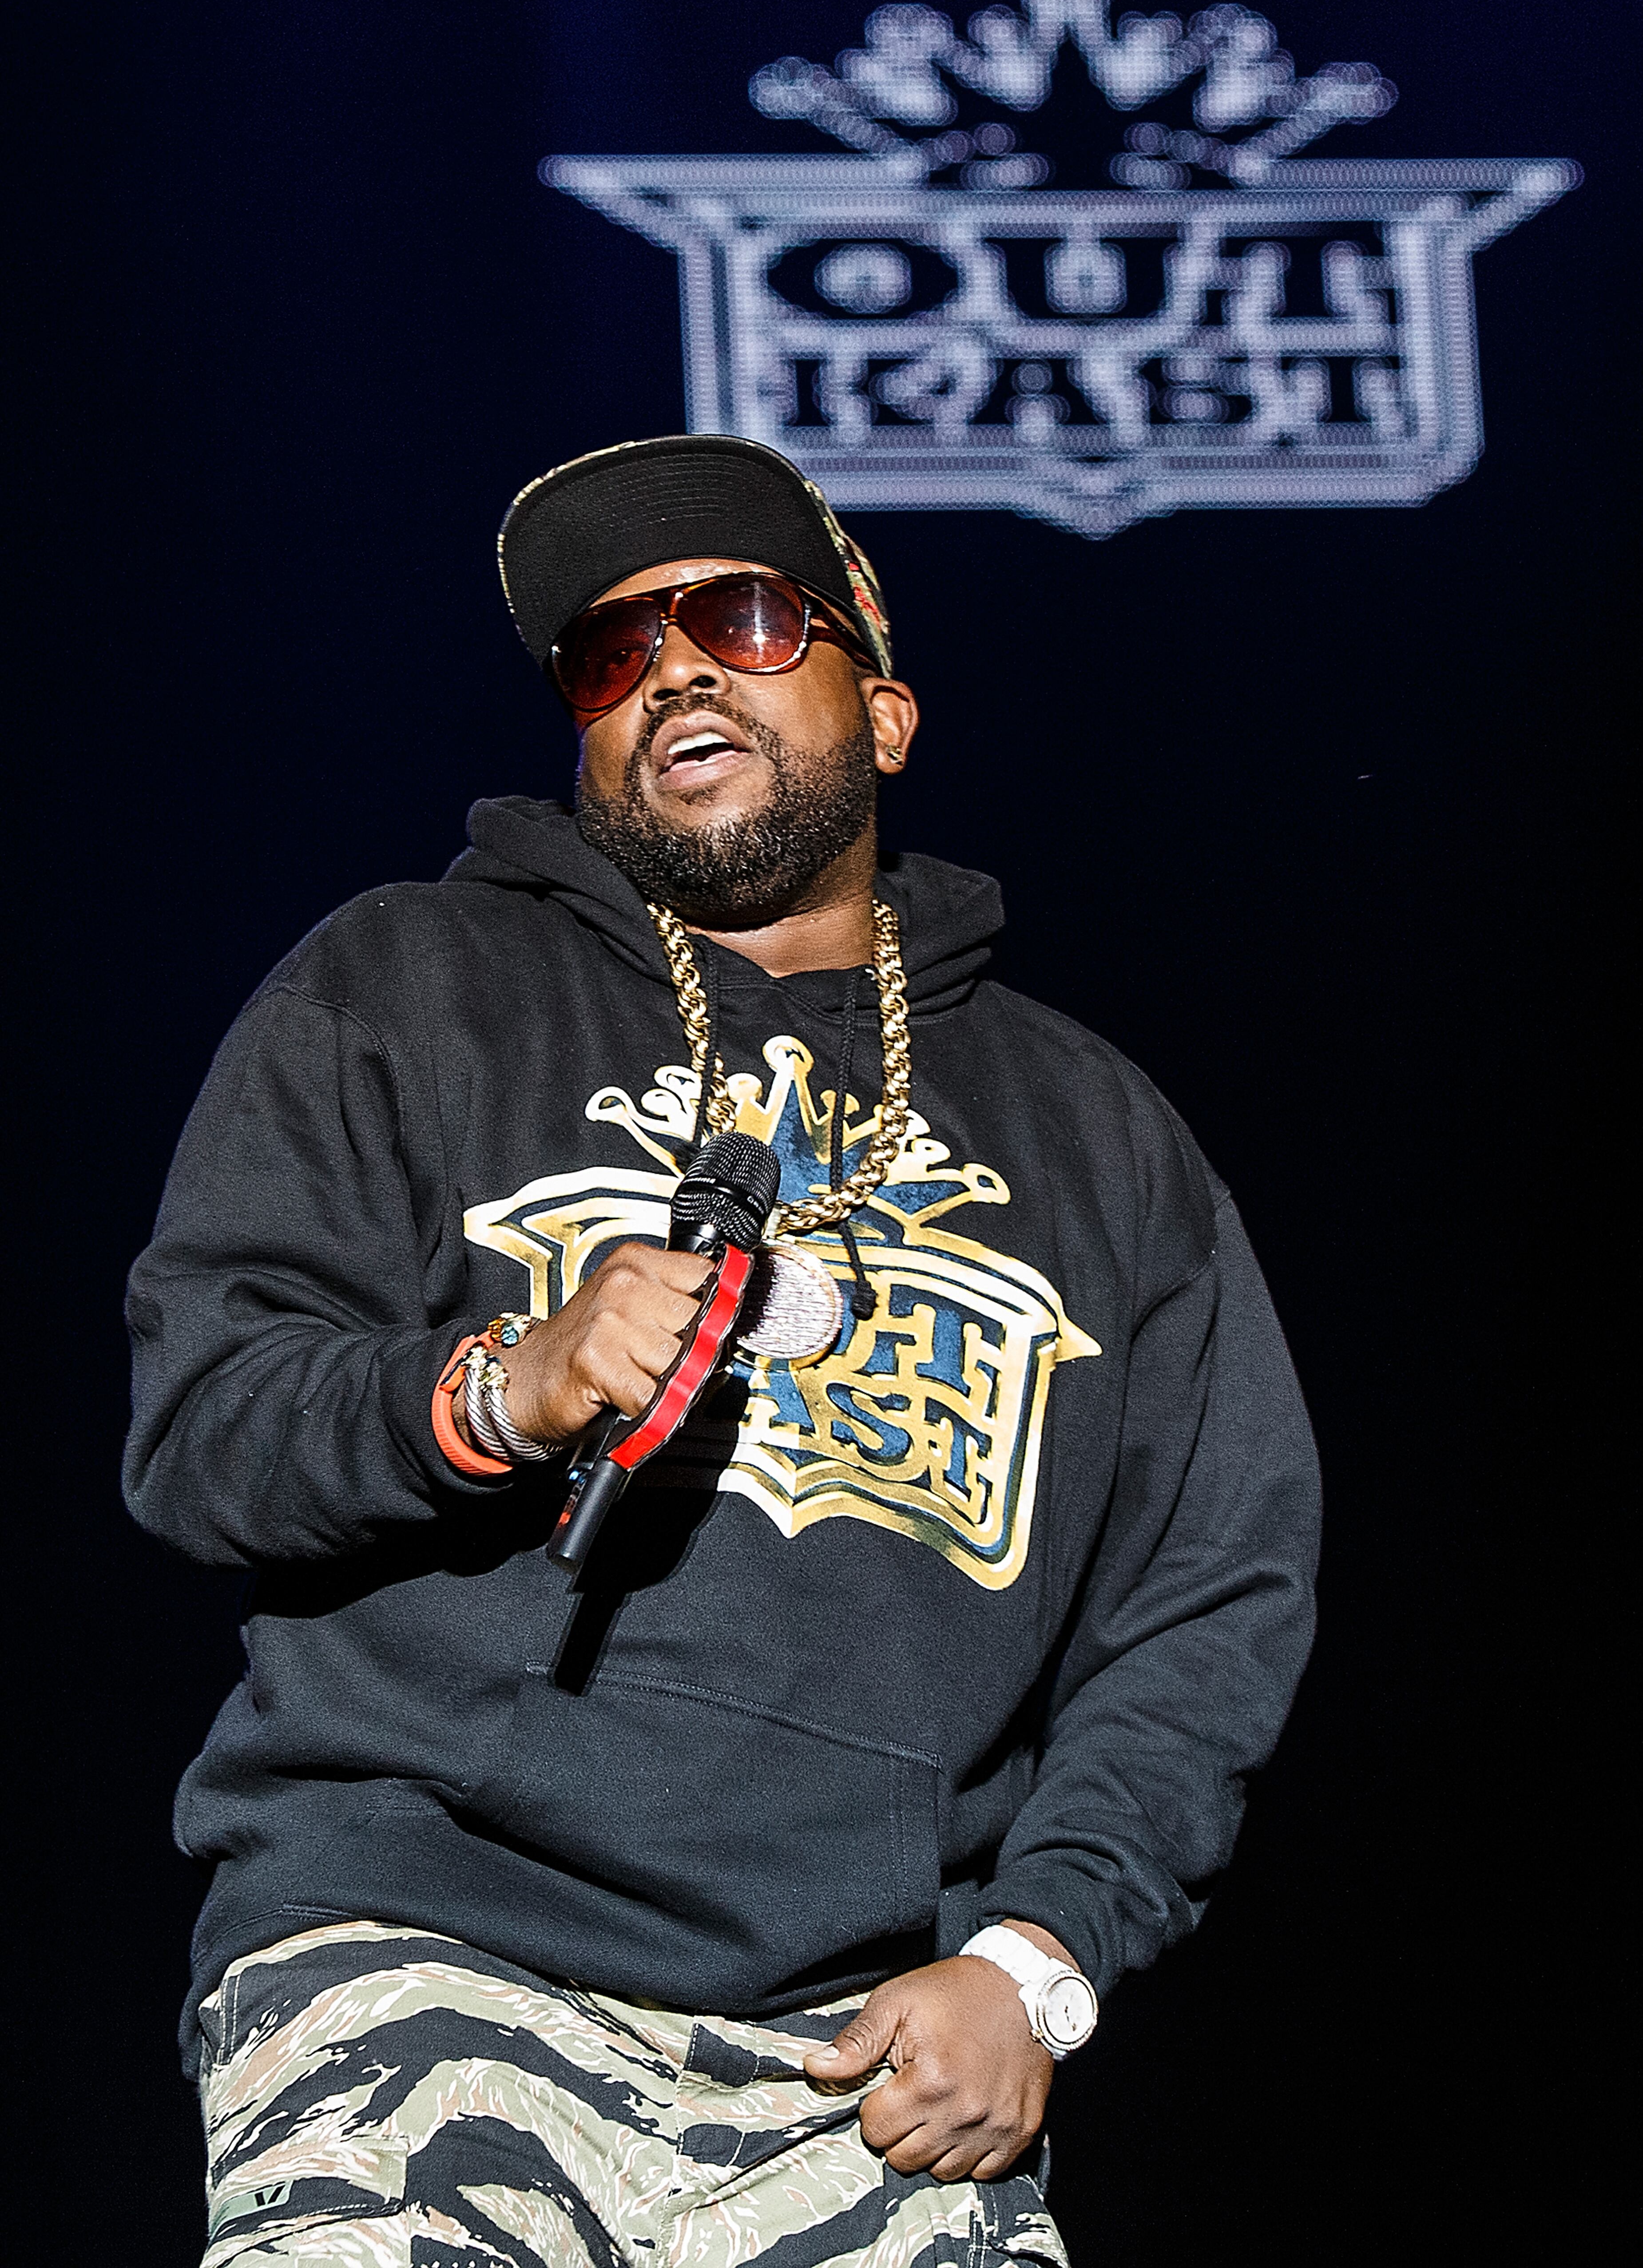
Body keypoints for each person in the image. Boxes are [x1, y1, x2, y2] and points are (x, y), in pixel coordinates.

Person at [126, 434, 1320, 2267]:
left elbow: (1214, 1591)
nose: (673, 664)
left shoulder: (1101, 1134)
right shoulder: (402, 986)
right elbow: (201, 1428)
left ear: (886, 712)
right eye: (611, 653)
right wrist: (501, 1384)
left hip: (873, 2051)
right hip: (419, 1940)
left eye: (742, 617)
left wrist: (1041, 1957)